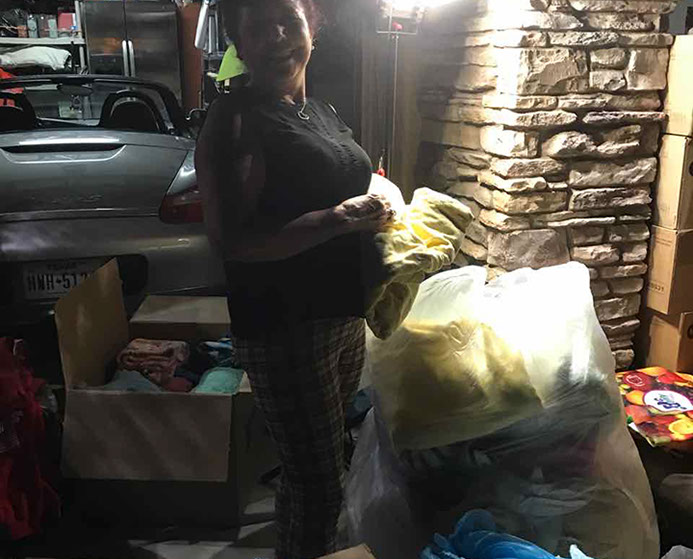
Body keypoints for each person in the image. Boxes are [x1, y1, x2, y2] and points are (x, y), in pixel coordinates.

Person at [194, 1, 394, 558]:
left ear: (314, 25)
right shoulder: (236, 119)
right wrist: (338, 219)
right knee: (318, 485)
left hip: (342, 315)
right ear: (239, 43)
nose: (277, 36)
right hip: (285, 327)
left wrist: (380, 192)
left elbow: (346, 177)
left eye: (288, 19)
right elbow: (233, 241)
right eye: (258, 27)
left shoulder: (322, 111)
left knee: (316, 471)